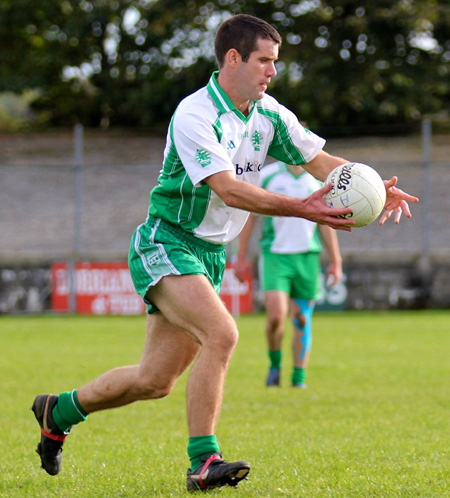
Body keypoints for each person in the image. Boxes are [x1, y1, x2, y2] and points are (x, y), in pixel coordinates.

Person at [31, 14, 418, 492]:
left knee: (155, 381)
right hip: (167, 241)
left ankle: (58, 411)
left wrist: (373, 187)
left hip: (209, 254)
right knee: (223, 334)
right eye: (264, 61)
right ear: (233, 58)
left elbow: (319, 162)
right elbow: (229, 190)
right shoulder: (196, 115)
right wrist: (303, 208)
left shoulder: (268, 113)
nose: (272, 72)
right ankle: (202, 461)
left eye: (275, 63)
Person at [235, 161, 343, 389]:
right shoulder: (267, 176)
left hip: (307, 257)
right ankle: (275, 366)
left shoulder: (317, 180)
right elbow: (250, 217)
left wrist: (335, 260)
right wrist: (241, 257)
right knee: (276, 316)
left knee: (302, 319)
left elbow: (325, 222)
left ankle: (298, 379)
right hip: (275, 256)